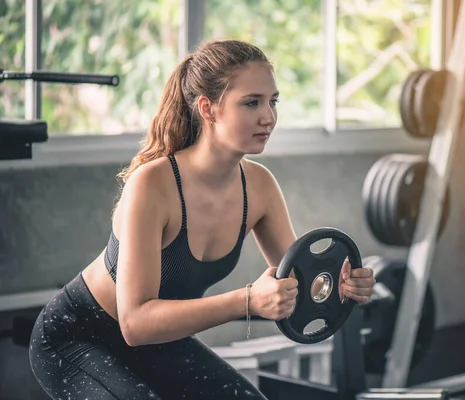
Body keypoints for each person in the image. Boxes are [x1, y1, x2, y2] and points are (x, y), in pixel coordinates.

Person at [29, 39, 376, 400]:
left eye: (273, 101)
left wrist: (340, 285)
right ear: (208, 109)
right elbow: (135, 323)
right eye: (251, 102)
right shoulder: (152, 185)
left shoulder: (259, 186)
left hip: (160, 340)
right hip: (78, 337)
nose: (268, 116)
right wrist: (246, 301)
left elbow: (298, 284)